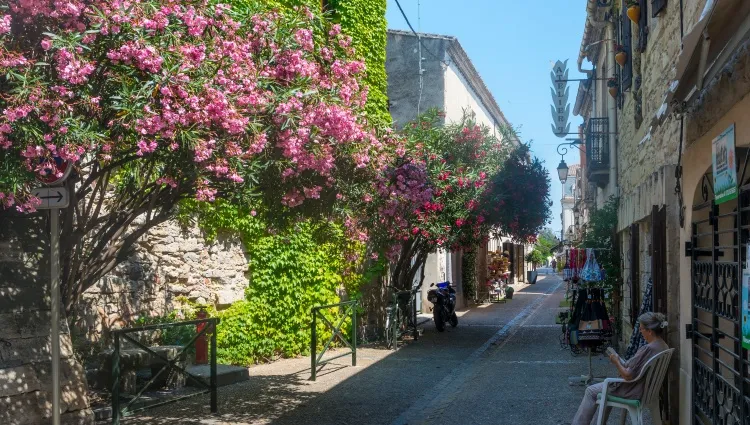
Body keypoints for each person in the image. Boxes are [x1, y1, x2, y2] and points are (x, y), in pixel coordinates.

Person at [570, 312, 669, 425]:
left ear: (650, 331)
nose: (640, 332)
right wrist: (622, 362)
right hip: (648, 391)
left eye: (641, 329)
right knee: (605, 390)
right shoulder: (663, 345)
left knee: (591, 391)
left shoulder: (648, 349)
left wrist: (616, 362)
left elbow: (628, 376)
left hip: (633, 389)